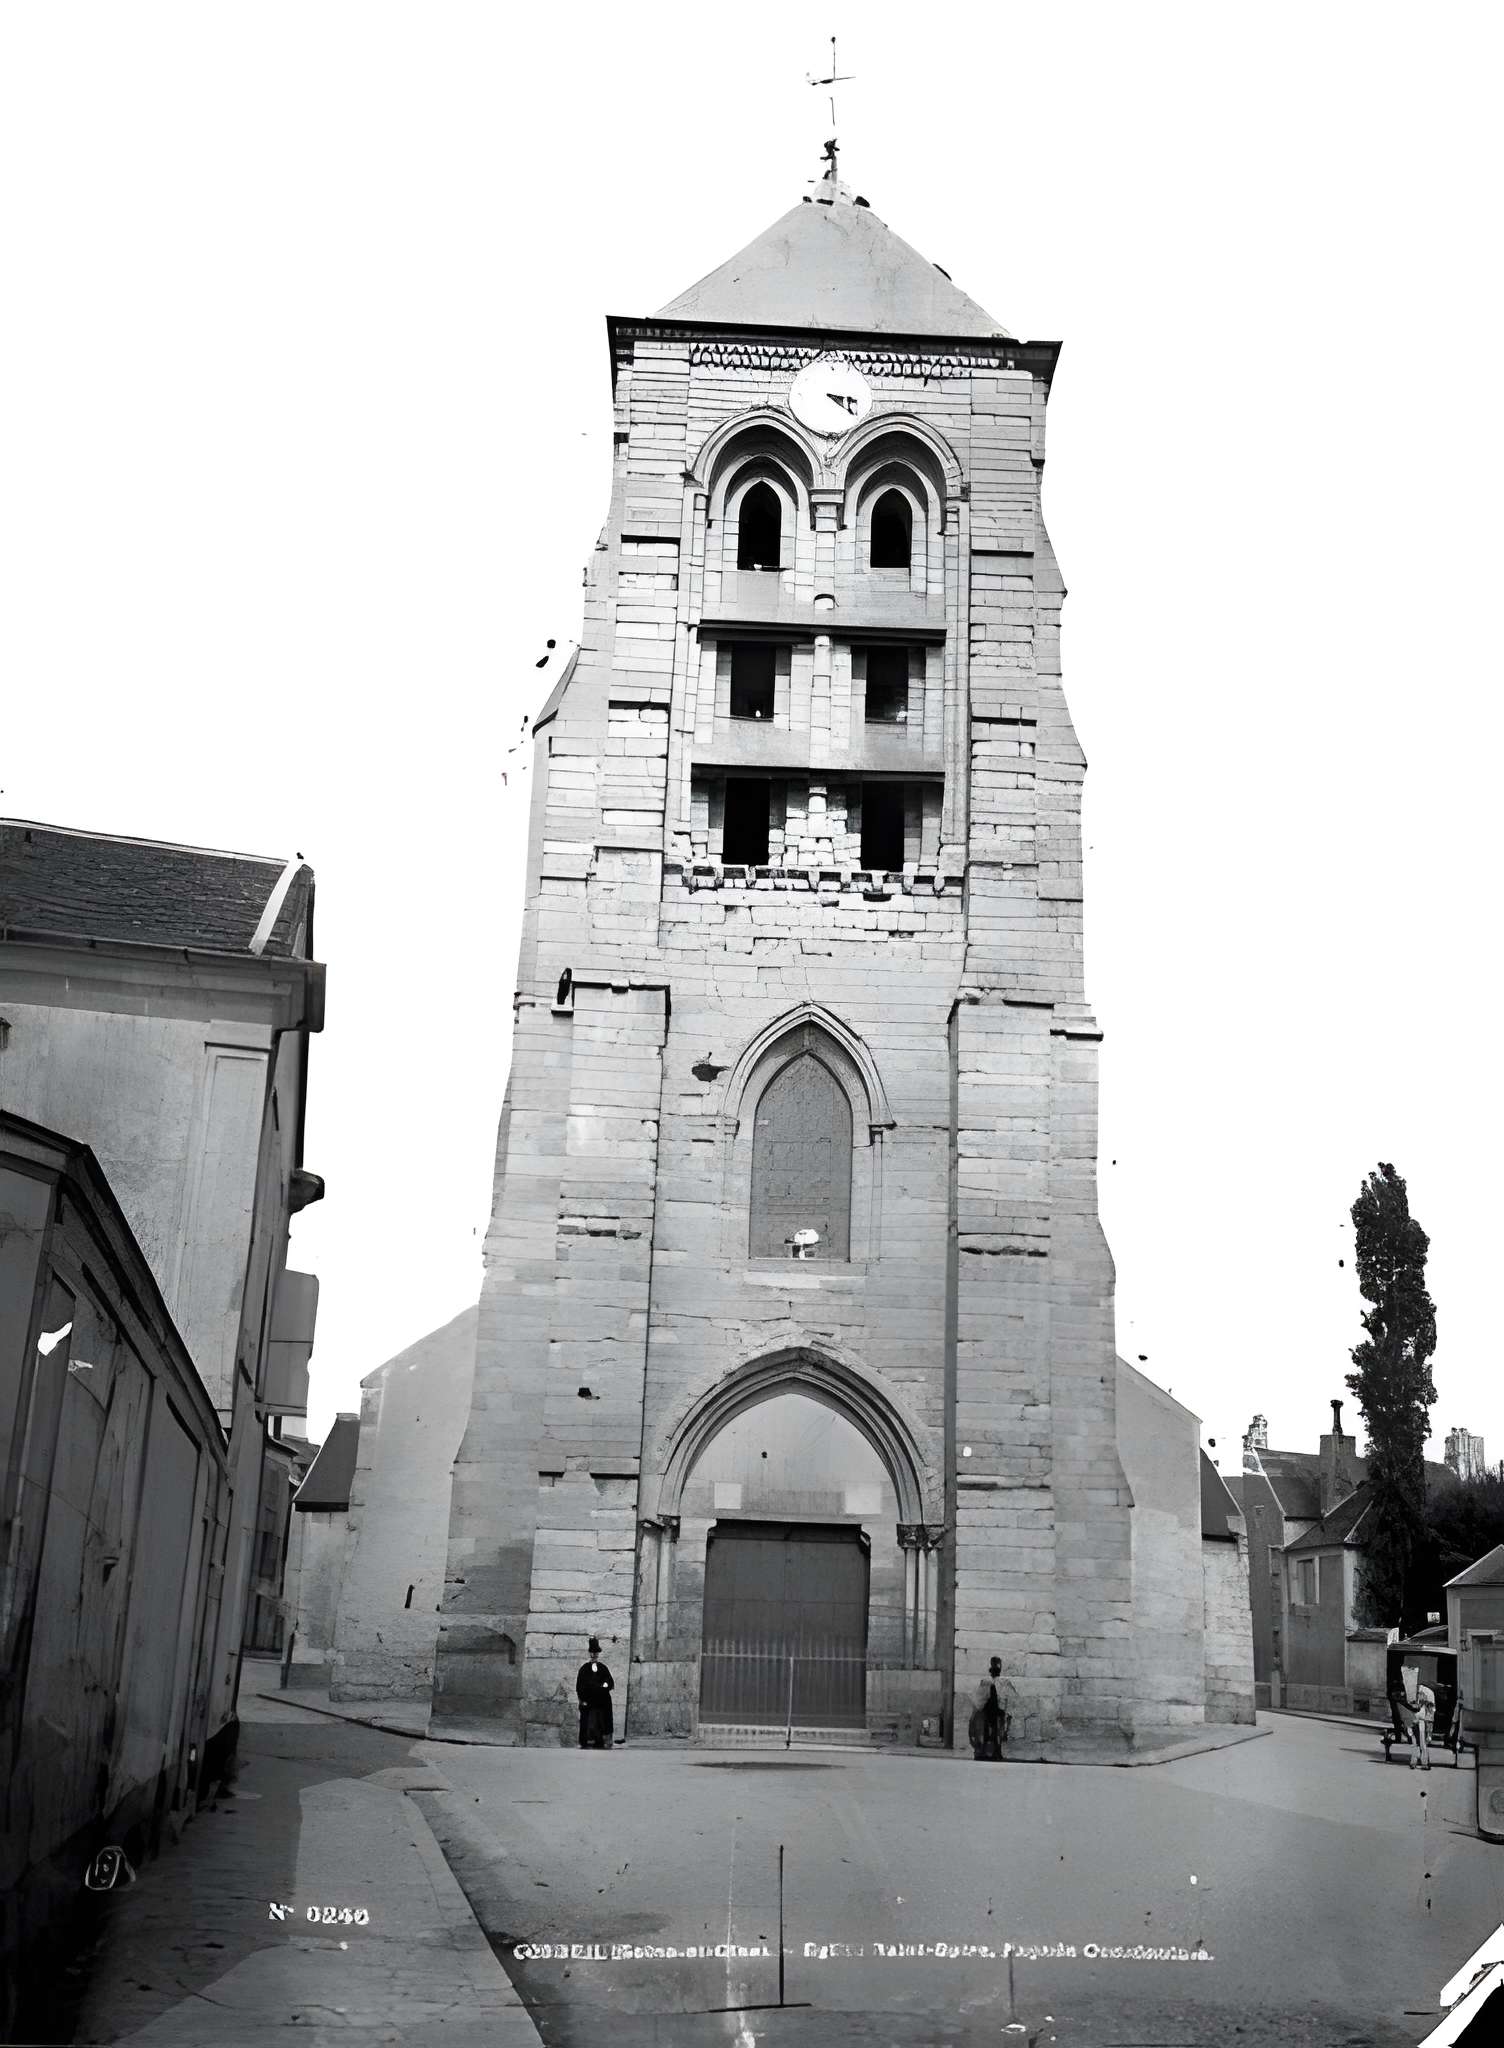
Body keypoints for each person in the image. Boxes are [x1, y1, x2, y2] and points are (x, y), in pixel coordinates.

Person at [968, 1656, 1014, 1761]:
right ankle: (990, 1752)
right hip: (989, 1710)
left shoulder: (993, 1682)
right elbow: (982, 1698)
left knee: (995, 1732)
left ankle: (991, 1752)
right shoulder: (988, 1682)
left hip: (992, 1711)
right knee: (992, 1731)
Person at [576, 1636, 615, 1749]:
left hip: (601, 1702)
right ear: (590, 1653)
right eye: (592, 1652)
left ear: (598, 1654)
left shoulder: (603, 1668)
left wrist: (604, 1685)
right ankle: (587, 1741)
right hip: (589, 1701)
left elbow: (609, 1681)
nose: (594, 1655)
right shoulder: (584, 1669)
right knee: (590, 1720)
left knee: (601, 1720)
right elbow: (580, 1686)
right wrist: (583, 1698)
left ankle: (602, 1741)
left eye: (596, 1652)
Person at [1398, 1661, 1434, 1771]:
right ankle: (1416, 1762)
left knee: (1421, 1743)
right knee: (1415, 1743)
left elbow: (1430, 1711)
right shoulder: (1409, 1693)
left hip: (1420, 1721)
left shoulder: (1426, 1693)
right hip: (1414, 1720)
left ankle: (1422, 1762)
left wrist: (1429, 1729)